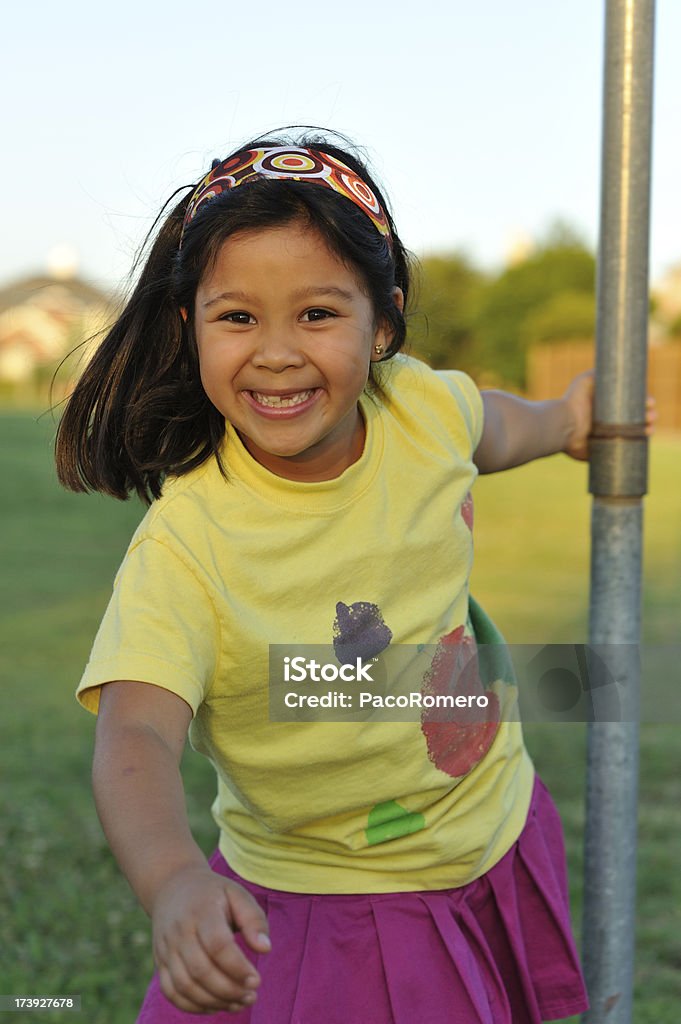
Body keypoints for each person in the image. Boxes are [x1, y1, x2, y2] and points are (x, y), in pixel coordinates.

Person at [57, 131, 626, 1024]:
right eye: (237, 317)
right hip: (333, 897)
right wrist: (172, 882)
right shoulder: (188, 545)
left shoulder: (418, 405)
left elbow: (495, 429)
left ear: (383, 322)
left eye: (317, 315)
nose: (276, 352)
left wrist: (567, 420)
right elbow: (133, 736)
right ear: (188, 327)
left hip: (492, 819)